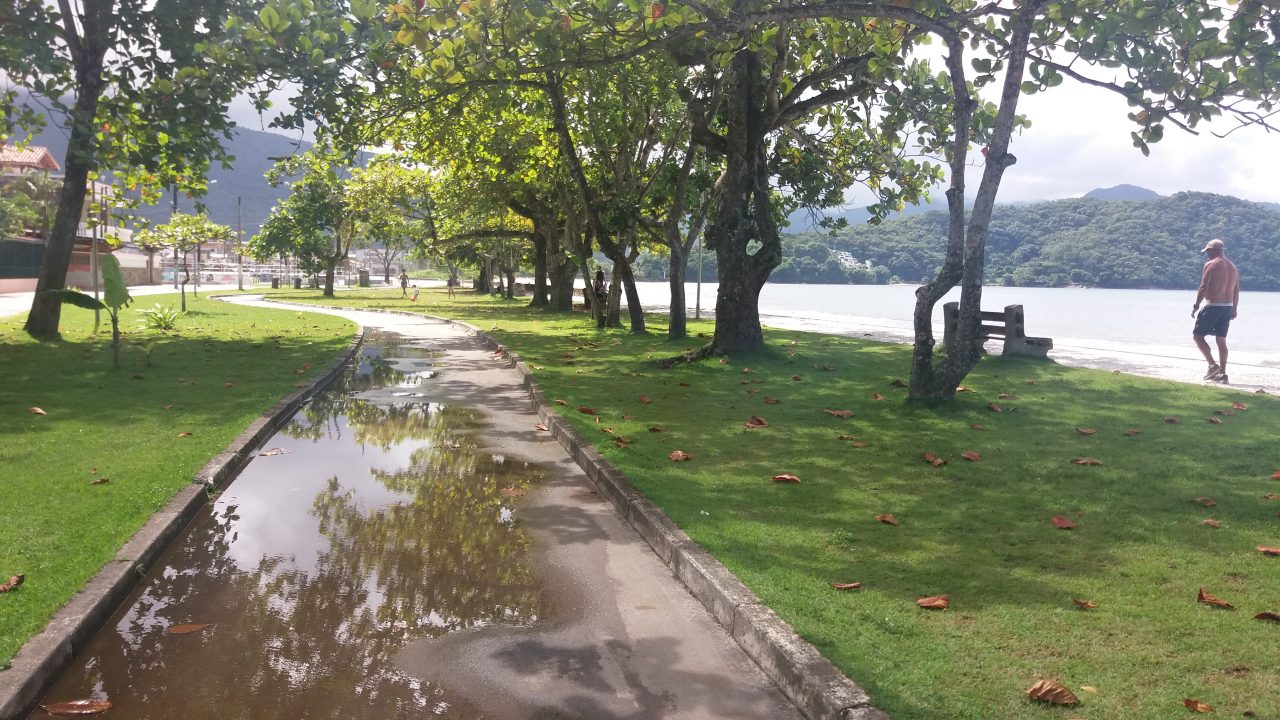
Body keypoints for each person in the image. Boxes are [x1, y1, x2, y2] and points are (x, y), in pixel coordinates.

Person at [1191, 238, 1240, 383]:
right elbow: (1236, 291)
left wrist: (1196, 306)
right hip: (1227, 307)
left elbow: (1203, 286)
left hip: (1212, 306)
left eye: (1208, 251)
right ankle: (1222, 374)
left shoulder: (1211, 265)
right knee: (1221, 341)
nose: (1207, 254)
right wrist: (1235, 309)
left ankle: (1212, 366)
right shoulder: (1233, 267)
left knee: (1197, 336)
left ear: (1213, 250)